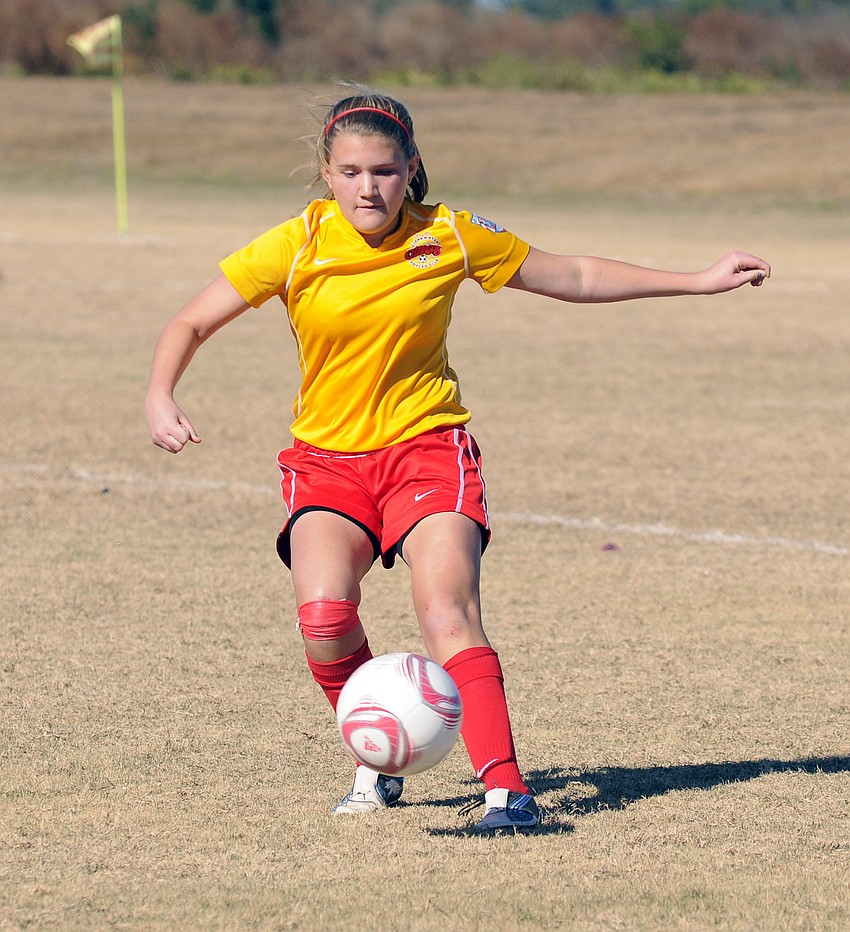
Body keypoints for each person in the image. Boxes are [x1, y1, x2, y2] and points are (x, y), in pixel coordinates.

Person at [146, 90, 770, 834]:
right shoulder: (296, 243)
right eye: (349, 172)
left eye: (383, 171)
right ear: (325, 172)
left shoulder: (451, 233)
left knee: (445, 609)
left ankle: (507, 791)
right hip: (328, 462)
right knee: (323, 617)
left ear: (411, 169)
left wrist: (697, 280)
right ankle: (378, 756)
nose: (367, 188)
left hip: (428, 451)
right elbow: (191, 319)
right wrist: (160, 395)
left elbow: (568, 276)